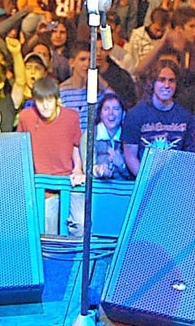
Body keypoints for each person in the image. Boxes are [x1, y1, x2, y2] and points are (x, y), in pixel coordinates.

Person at [17, 76, 84, 235]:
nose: (45, 106)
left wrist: (78, 169)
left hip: (69, 181)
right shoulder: (26, 117)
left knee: (80, 223)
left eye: (49, 100)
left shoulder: (71, 116)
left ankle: (76, 260)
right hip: (43, 187)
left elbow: (76, 145)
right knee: (47, 230)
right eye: (40, 101)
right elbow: (20, 148)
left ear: (57, 100)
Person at [122, 60, 195, 177]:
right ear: (152, 82)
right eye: (162, 80)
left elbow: (192, 154)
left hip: (175, 181)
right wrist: (145, 180)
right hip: (144, 181)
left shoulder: (185, 116)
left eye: (171, 81)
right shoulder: (135, 115)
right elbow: (130, 157)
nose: (167, 85)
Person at [92, 91, 131, 180]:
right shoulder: (90, 135)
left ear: (123, 113)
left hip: (124, 190)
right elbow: (85, 168)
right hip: (97, 189)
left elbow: (137, 175)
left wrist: (122, 165)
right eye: (106, 109)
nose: (111, 113)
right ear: (100, 113)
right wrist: (99, 170)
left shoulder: (129, 136)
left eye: (116, 109)